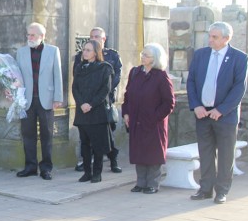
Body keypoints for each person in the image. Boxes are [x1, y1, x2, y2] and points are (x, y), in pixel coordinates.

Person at [187, 21, 248, 204]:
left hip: (225, 115)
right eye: (210, 36)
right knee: (205, 152)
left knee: (225, 154)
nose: (210, 40)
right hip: (202, 113)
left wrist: (221, 110)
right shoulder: (200, 55)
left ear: (226, 38)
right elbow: (191, 82)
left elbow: (239, 88)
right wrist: (196, 105)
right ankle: (205, 188)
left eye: (214, 37)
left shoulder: (239, 57)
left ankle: (221, 190)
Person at [122, 43, 175, 194]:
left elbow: (169, 102)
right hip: (136, 121)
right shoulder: (135, 72)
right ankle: (140, 182)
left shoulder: (161, 76)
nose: (142, 57)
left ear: (155, 58)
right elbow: (127, 95)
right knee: (139, 152)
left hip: (153, 123)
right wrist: (126, 113)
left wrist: (154, 117)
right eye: (142, 54)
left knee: (153, 153)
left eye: (146, 55)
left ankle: (152, 183)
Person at [14, 22, 63, 180]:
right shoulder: (21, 52)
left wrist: (58, 98)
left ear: (42, 36)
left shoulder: (53, 51)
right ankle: (30, 166)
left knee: (47, 135)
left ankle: (46, 168)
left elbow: (57, 75)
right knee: (27, 134)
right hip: (26, 100)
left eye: (32, 35)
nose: (29, 37)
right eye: (28, 34)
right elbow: (16, 76)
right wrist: (12, 91)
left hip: (47, 100)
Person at [73, 27, 123, 173]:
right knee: (86, 138)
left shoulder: (112, 56)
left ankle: (113, 160)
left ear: (104, 39)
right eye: (91, 37)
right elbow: (77, 82)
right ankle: (87, 163)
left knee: (106, 135)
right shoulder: (80, 58)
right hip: (85, 103)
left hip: (103, 101)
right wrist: (83, 102)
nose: (94, 39)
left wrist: (100, 97)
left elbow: (116, 77)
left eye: (97, 37)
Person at [72, 40, 113, 183]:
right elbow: (75, 88)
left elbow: (105, 90)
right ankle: (87, 172)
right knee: (85, 144)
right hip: (82, 111)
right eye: (84, 50)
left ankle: (97, 172)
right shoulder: (79, 68)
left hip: (97, 111)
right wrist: (81, 103)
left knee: (97, 145)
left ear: (96, 52)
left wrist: (91, 104)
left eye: (88, 50)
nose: (85, 52)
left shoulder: (104, 68)